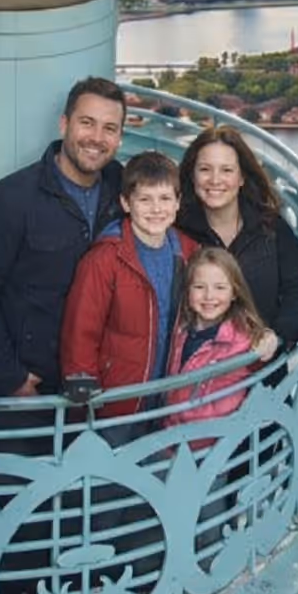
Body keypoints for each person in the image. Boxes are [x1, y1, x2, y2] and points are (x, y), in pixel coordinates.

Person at [0, 75, 126, 594]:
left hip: (95, 388)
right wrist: (7, 377)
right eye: (87, 123)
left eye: (109, 128)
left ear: (120, 137)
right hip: (27, 388)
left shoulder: (124, 191)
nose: (96, 137)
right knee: (20, 515)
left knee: (84, 508)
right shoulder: (8, 200)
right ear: (64, 124)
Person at [59, 151, 198, 443]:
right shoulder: (105, 259)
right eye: (145, 199)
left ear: (178, 202)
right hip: (117, 400)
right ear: (126, 203)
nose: (156, 209)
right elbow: (80, 330)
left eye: (164, 199)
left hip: (167, 395)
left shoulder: (188, 252)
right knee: (110, 481)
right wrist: (84, 389)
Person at [176, 125, 298, 358]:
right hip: (199, 374)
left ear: (241, 177)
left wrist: (277, 335)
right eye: (205, 169)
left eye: (227, 170)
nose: (215, 180)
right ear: (192, 175)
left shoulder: (271, 227)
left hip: (261, 371)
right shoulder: (177, 229)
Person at [164, 247, 276, 445]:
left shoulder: (243, 339)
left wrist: (268, 338)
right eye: (199, 287)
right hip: (171, 434)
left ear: (234, 292)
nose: (209, 296)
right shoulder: (180, 327)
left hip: (212, 447)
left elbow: (261, 359)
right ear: (187, 290)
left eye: (220, 288)